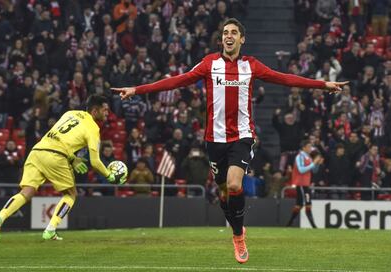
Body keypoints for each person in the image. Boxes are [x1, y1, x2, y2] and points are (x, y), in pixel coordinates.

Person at [112, 18, 347, 264]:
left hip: (242, 137)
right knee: (224, 193)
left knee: (235, 185)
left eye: (234, 32)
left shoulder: (252, 66)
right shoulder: (208, 64)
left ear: (242, 39)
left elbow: (285, 78)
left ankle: (237, 236)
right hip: (214, 139)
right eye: (225, 32)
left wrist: (323, 85)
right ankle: (237, 226)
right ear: (221, 38)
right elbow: (177, 80)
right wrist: (138, 89)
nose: (229, 36)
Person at [0, 95, 121, 243]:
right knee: (70, 194)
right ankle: (50, 230)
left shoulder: (69, 113)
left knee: (27, 191)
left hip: (37, 151)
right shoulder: (93, 129)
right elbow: (95, 162)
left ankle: (0, 218)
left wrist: (72, 158)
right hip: (56, 156)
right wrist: (110, 176)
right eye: (104, 110)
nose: (107, 114)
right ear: (95, 111)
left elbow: (59, 137)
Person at [287, 140, 324, 228]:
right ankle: (314, 226)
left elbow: (314, 171)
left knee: (299, 205)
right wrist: (313, 163)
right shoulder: (299, 157)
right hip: (300, 184)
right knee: (307, 203)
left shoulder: (308, 157)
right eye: (309, 147)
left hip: (306, 184)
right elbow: (301, 170)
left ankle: (289, 224)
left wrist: (317, 164)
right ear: (304, 148)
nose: (310, 148)